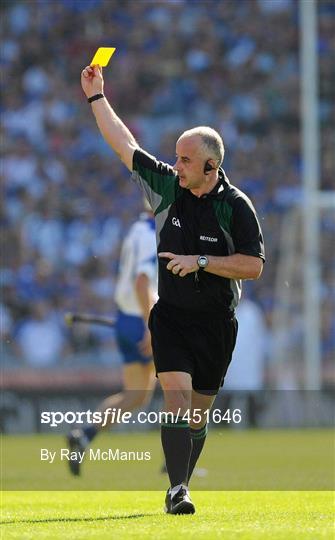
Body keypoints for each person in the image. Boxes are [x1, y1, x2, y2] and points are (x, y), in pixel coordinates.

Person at [80, 65, 265, 515]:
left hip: (217, 324)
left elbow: (254, 267)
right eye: (176, 157)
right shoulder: (168, 186)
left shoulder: (236, 206)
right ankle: (178, 489)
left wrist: (201, 262)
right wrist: (96, 97)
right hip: (172, 320)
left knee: (198, 414)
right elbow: (125, 145)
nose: (175, 165)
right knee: (177, 399)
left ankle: (178, 481)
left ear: (211, 166)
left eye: (185, 160)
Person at [67, 203, 158, 475]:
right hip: (143, 319)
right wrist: (151, 325)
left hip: (125, 319)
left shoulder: (136, 229)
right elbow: (142, 282)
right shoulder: (153, 233)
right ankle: (176, 464)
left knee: (136, 396)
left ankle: (85, 434)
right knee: (180, 385)